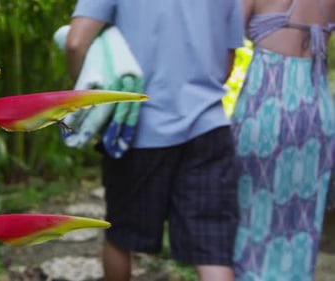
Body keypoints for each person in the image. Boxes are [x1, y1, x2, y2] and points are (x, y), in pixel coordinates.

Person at [65, 1, 244, 280]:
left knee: (121, 236)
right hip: (209, 127)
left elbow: (76, 42)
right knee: (213, 251)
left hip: (138, 129)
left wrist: (90, 90)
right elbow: (227, 62)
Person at [231, 0, 335, 280]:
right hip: (317, 110)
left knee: (251, 217)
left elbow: (224, 46)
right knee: (302, 223)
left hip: (267, 103)